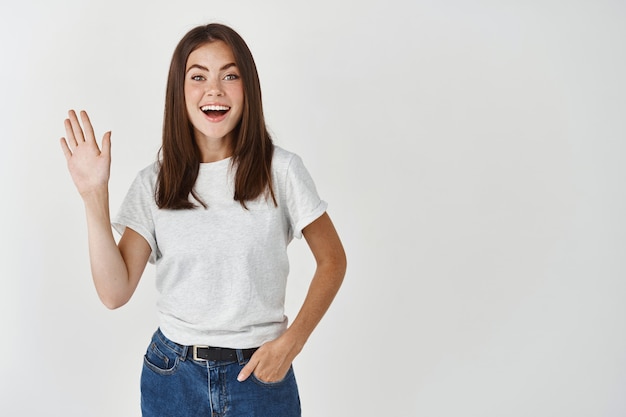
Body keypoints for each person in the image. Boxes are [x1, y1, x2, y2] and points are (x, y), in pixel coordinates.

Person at [59, 23, 346, 417]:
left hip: (260, 377)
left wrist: (292, 341)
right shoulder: (154, 183)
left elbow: (333, 260)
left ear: (249, 90)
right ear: (180, 92)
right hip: (173, 378)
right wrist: (94, 196)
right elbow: (115, 292)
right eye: (198, 77)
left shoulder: (281, 171)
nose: (214, 90)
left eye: (230, 75)